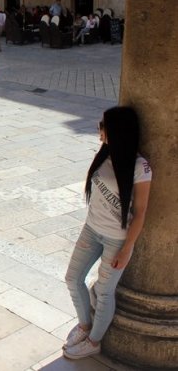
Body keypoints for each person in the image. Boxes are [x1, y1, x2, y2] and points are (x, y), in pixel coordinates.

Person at [64, 106, 152, 360]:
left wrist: (127, 248)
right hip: (91, 230)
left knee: (104, 292)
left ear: (118, 131)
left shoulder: (140, 167)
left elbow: (141, 212)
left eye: (103, 125)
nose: (99, 128)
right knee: (72, 278)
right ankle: (84, 325)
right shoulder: (104, 154)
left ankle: (94, 341)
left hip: (117, 239)